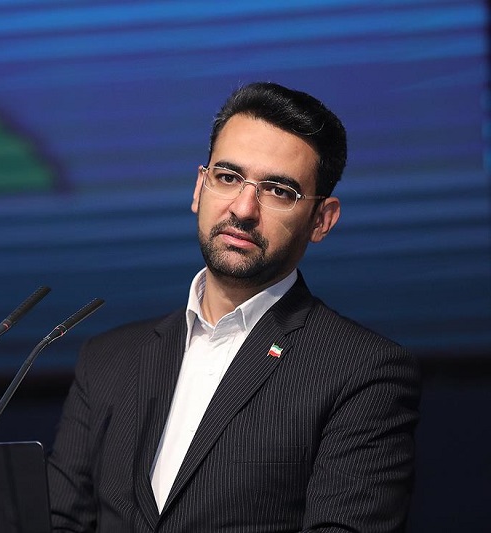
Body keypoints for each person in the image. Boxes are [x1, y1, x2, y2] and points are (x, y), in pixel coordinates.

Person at [47, 82, 421, 532]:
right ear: (199, 188)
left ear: (321, 220)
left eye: (278, 190)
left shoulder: (363, 372)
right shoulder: (107, 359)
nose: (243, 209)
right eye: (227, 178)